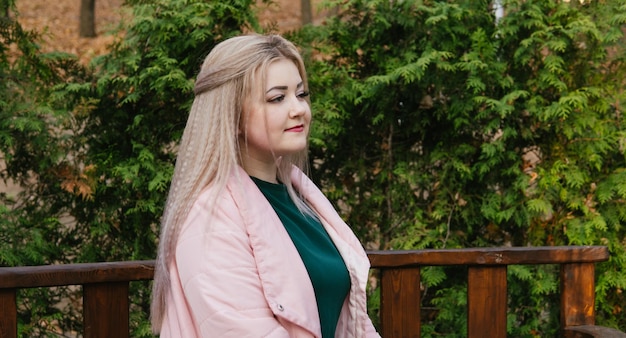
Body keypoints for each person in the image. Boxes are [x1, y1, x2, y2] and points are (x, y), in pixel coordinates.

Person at [150, 33, 380, 338]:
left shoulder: (302, 199)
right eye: (277, 98)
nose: (298, 108)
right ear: (231, 113)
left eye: (301, 94)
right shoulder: (210, 218)